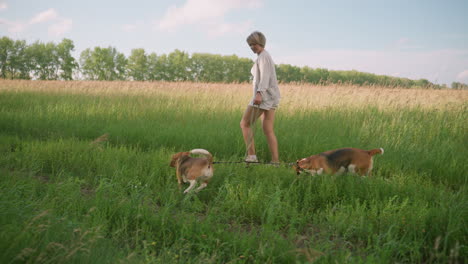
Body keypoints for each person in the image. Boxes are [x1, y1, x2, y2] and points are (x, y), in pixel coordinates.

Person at [240, 31, 280, 164]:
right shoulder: (263, 56)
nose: (252, 47)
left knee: (245, 123)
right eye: (250, 45)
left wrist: (259, 93)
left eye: (254, 44)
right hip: (272, 97)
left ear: (261, 43)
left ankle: (251, 157)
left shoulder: (263, 56)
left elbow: (265, 77)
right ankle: (275, 161)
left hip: (264, 96)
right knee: (268, 129)